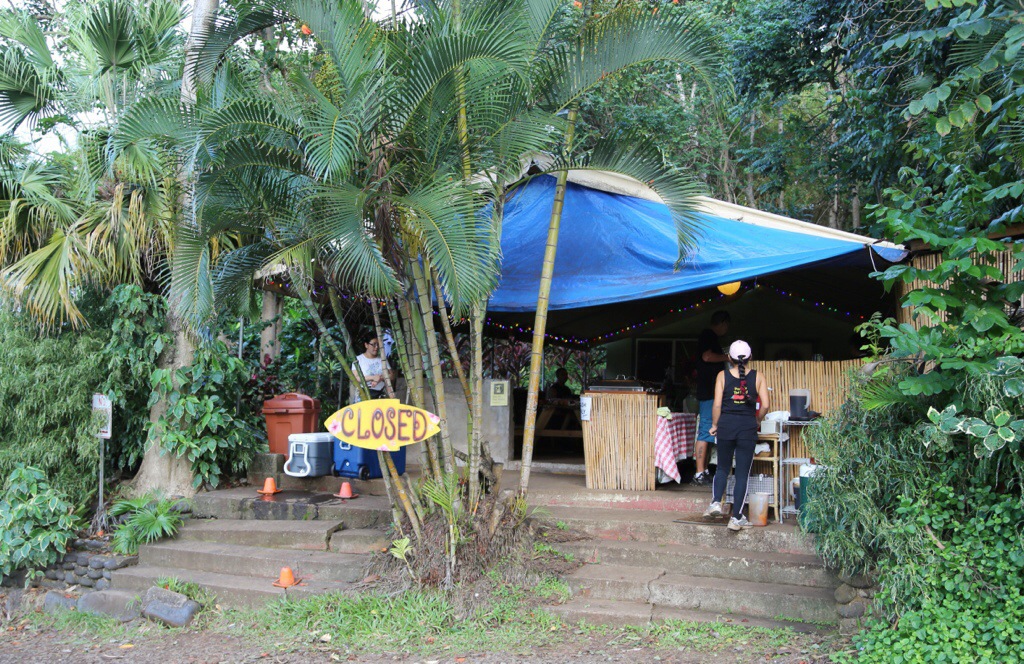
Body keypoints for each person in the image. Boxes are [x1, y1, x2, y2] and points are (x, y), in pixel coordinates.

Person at [702, 340, 769, 531]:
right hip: (747, 428)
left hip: (726, 427)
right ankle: (737, 518)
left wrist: (715, 425)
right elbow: (765, 405)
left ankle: (715, 502)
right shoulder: (758, 376)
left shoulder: (722, 376)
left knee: (722, 468)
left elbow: (717, 405)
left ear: (729, 358)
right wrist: (757, 420)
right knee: (741, 474)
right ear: (750, 357)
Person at [692, 310, 731, 485]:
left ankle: (704, 469)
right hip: (708, 392)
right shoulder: (708, 335)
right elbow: (707, 356)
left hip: (710, 392)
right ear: (723, 323)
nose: (727, 329)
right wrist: (726, 357)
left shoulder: (710, 337)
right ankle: (699, 473)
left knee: (709, 430)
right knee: (706, 429)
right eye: (727, 325)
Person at [352, 335, 393, 400]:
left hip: (380, 394)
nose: (376, 347)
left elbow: (391, 375)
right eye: (373, 344)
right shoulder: (358, 359)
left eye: (378, 344)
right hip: (363, 394)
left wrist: (380, 378)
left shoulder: (382, 359)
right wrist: (372, 378)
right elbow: (355, 378)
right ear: (366, 345)